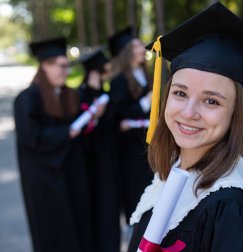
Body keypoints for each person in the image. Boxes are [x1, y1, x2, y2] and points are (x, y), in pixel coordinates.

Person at [127, 3, 243, 251]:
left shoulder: (230, 207)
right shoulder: (172, 172)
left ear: (236, 113)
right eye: (180, 93)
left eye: (211, 101)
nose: (188, 112)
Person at [14, 38, 92, 252]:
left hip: (69, 177)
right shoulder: (26, 100)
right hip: (45, 183)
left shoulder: (65, 95)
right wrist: (66, 132)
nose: (66, 71)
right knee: (53, 234)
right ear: (45, 66)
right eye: (62, 66)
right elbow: (33, 139)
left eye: (67, 66)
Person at [107, 27, 154, 236]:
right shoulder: (118, 80)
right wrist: (145, 102)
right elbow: (120, 115)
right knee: (135, 183)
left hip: (148, 138)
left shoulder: (145, 74)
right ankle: (135, 227)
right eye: (135, 45)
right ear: (127, 51)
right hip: (130, 144)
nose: (141, 48)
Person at [78, 49, 120, 252]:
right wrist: (95, 116)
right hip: (89, 163)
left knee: (109, 207)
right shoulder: (81, 96)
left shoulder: (105, 94)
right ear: (95, 71)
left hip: (107, 161)